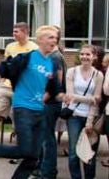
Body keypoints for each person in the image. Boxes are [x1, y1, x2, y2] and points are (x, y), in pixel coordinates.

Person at [0, 25, 62, 178]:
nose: (54, 40)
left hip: (39, 111)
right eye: (51, 37)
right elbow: (2, 67)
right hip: (23, 109)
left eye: (56, 38)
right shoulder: (27, 57)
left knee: (33, 157)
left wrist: (64, 97)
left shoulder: (52, 64)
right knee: (24, 149)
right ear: (40, 40)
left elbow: (53, 90)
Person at [0, 22, 38, 146]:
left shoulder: (34, 48)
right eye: (13, 31)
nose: (13, 34)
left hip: (21, 89)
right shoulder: (10, 47)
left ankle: (20, 148)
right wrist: (3, 79)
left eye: (16, 31)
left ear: (25, 32)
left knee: (19, 120)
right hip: (6, 87)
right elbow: (5, 64)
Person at [63, 45, 103, 179]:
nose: (84, 57)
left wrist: (90, 122)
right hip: (74, 115)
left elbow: (97, 101)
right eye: (82, 54)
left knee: (89, 151)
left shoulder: (98, 75)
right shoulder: (71, 72)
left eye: (88, 54)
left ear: (94, 57)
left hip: (90, 117)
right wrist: (91, 99)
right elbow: (70, 96)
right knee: (74, 152)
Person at [38, 26, 67, 179]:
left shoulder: (55, 57)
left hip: (50, 104)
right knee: (44, 137)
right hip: (48, 103)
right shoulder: (52, 55)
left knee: (47, 139)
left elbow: (57, 83)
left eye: (51, 37)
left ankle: (48, 173)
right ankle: (43, 169)